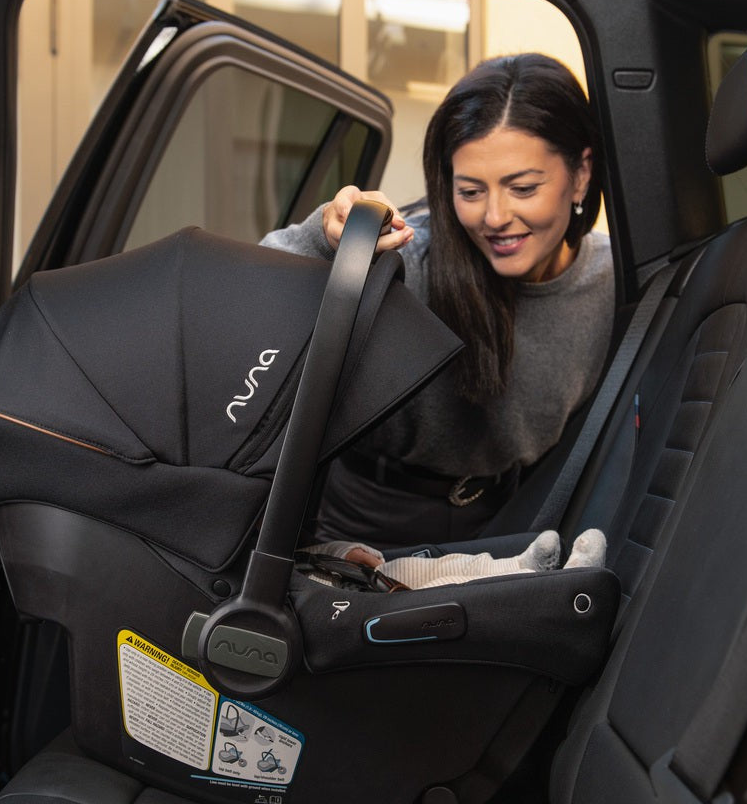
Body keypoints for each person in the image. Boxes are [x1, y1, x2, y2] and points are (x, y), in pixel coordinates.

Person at [262, 53, 614, 547]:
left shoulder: (614, 281)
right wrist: (328, 237)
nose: (494, 217)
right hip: (369, 516)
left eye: (522, 188)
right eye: (470, 191)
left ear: (580, 174)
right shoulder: (410, 257)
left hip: (516, 511)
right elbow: (254, 289)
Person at [302, 528, 607, 592]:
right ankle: (561, 587)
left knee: (445, 565)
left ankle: (518, 566)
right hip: (350, 606)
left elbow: (304, 553)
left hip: (363, 575)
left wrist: (343, 552)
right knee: (448, 587)